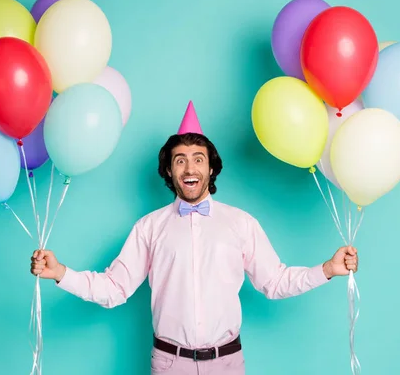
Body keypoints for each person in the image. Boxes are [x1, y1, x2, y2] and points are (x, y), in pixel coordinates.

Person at [29, 102, 359, 375]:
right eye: (180, 160)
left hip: (228, 364)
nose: (190, 168)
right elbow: (114, 289)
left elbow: (275, 281)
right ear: (169, 171)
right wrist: (61, 273)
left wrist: (327, 269)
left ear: (211, 168)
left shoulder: (241, 223)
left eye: (198, 159)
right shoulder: (149, 228)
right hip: (169, 364)